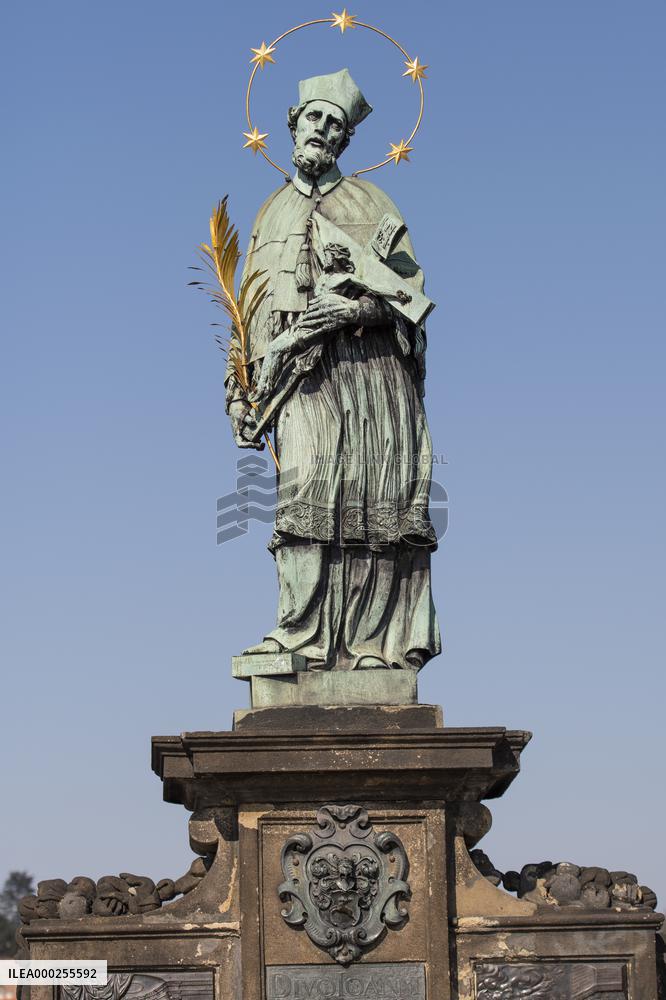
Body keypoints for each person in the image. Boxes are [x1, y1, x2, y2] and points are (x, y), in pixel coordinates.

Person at [226, 69, 440, 671]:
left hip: (370, 373)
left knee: (374, 505)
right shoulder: (270, 212)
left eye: (334, 124)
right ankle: (299, 635)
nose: (321, 130)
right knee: (305, 495)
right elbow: (243, 314)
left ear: (345, 141)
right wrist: (237, 393)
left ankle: (373, 645)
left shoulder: (374, 205)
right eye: (313, 118)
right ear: (292, 125)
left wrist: (353, 307)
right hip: (300, 379)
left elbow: (412, 300)